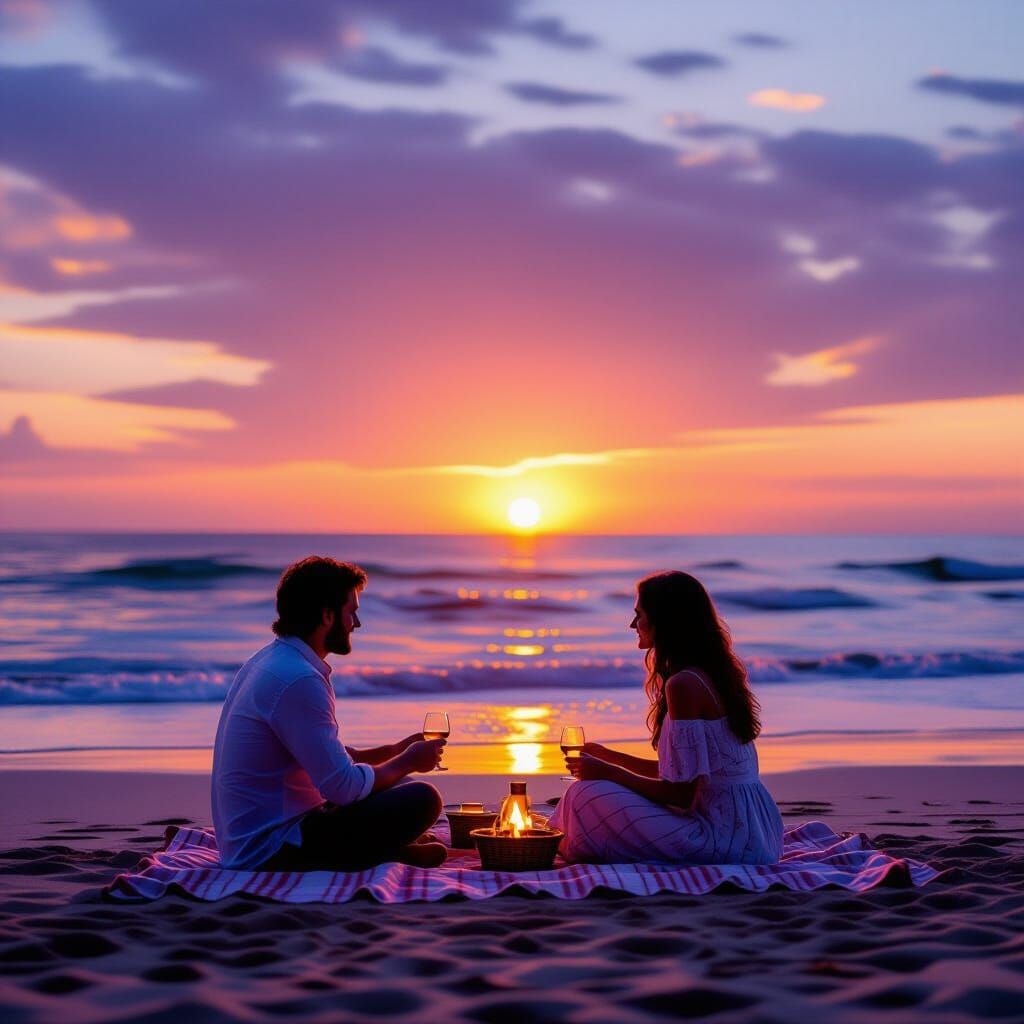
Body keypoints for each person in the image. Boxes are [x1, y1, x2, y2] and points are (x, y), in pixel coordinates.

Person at [211, 556, 447, 871]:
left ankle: (391, 852)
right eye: (352, 612)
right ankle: (387, 855)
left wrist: (393, 752)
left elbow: (327, 761)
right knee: (422, 798)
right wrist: (409, 760)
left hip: (252, 837)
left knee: (397, 783)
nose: (357, 624)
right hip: (270, 849)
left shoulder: (271, 660)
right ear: (326, 615)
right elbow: (343, 787)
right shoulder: (298, 679)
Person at [550, 570, 783, 865]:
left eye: (639, 614)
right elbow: (685, 772)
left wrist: (606, 773)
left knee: (585, 795)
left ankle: (561, 842)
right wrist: (610, 758)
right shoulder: (712, 673)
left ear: (665, 620)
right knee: (586, 794)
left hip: (722, 838)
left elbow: (680, 794)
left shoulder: (684, 685)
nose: (633, 624)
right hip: (755, 830)